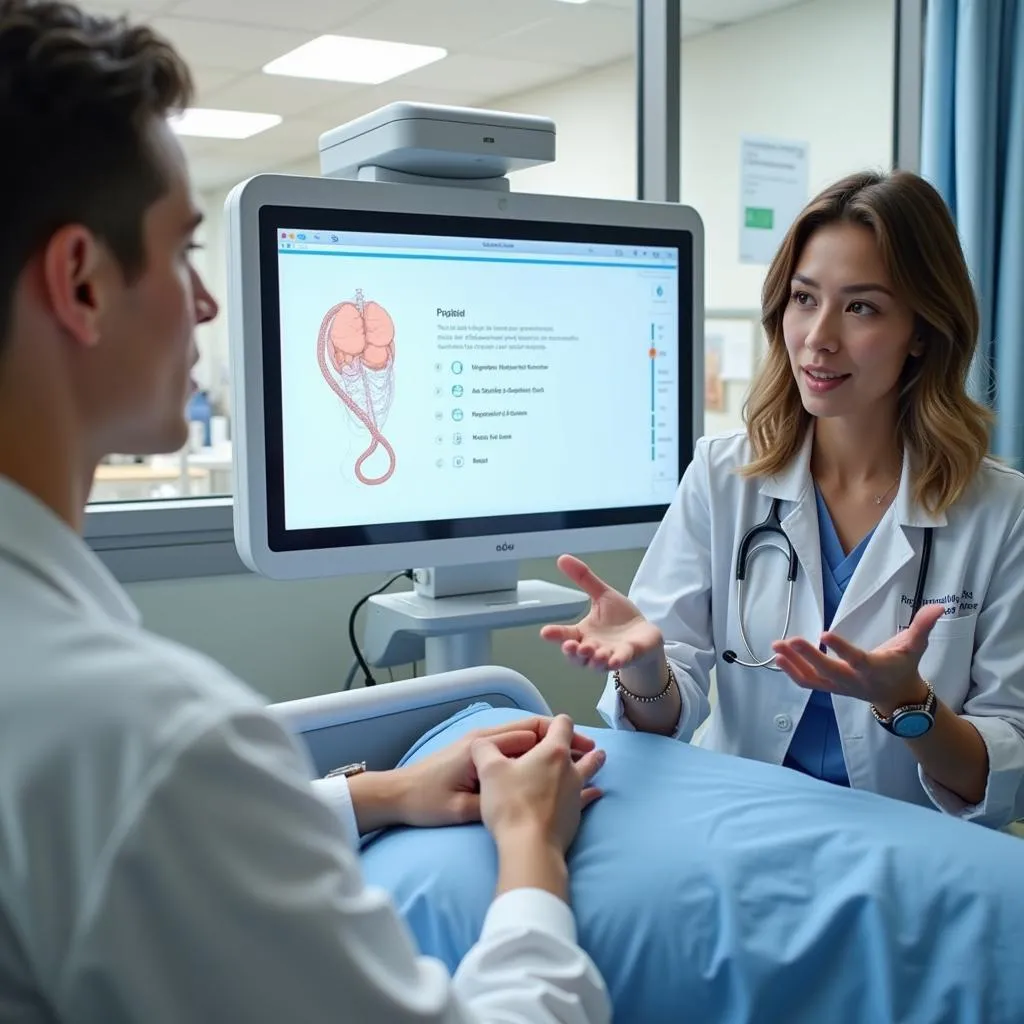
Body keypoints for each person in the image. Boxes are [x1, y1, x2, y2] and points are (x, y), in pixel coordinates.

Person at [0, 2, 611, 1021]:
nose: (203, 304)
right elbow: (149, 806)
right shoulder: (145, 739)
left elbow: (132, 857)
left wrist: (375, 794)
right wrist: (531, 858)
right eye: (182, 249)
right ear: (81, 282)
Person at [542, 169, 1024, 830]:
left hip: (907, 847)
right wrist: (649, 668)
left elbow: (996, 774)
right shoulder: (722, 475)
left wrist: (908, 704)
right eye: (804, 298)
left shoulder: (1001, 512)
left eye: (862, 307)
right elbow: (660, 721)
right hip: (742, 827)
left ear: (922, 329)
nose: (818, 336)